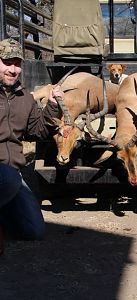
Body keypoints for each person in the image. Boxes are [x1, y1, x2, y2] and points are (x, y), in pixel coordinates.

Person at [0, 38, 63, 255]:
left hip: (12, 173)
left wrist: (53, 107)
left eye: (17, 63)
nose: (13, 69)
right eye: (7, 62)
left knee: (34, 231)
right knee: (7, 178)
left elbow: (37, 131)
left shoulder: (24, 98)